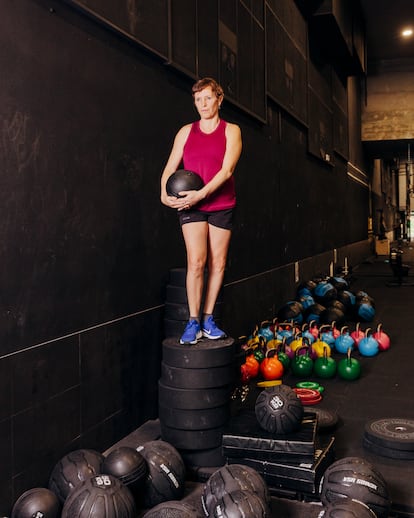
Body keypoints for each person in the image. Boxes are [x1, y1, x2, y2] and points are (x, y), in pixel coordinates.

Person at [161, 77, 242, 345]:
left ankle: (208, 319)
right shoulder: (186, 132)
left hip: (220, 203)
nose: (203, 104)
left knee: (217, 263)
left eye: (208, 98)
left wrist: (201, 194)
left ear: (219, 99)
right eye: (198, 99)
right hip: (191, 205)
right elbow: (170, 167)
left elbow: (227, 170)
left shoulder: (232, 131)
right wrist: (164, 193)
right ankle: (193, 321)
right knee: (196, 262)